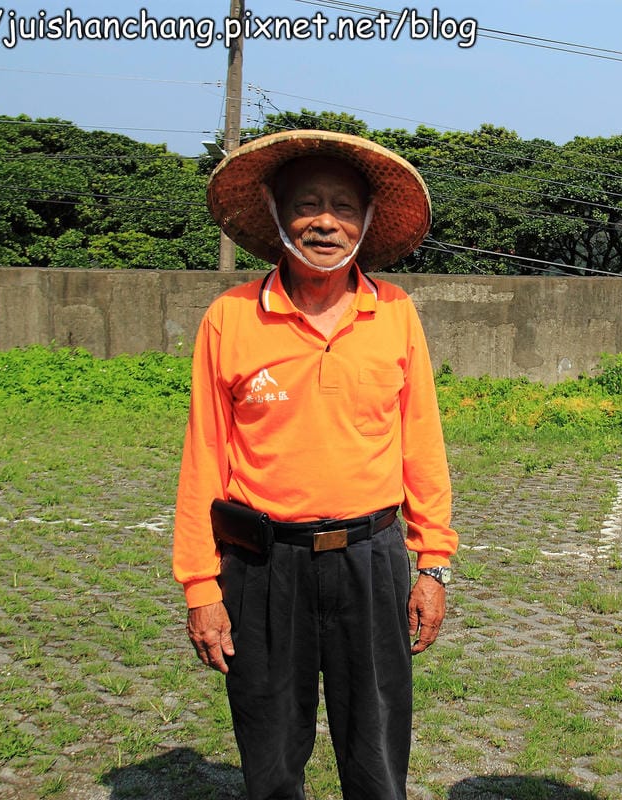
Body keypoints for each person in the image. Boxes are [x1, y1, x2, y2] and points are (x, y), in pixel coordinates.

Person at [173, 130, 458, 800]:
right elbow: (203, 457)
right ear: (276, 213)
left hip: (372, 559)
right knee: (270, 759)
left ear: (365, 220)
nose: (324, 220)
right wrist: (201, 589)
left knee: (378, 758)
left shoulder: (394, 313)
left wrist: (434, 565)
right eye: (307, 203)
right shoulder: (230, 318)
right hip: (262, 566)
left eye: (342, 206)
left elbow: (423, 446)